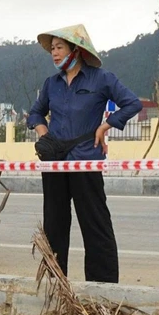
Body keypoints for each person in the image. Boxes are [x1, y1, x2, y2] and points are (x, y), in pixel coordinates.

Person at [27, 24, 141, 284]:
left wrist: (106, 125)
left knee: (95, 225)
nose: (54, 53)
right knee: (54, 227)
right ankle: (56, 286)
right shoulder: (51, 84)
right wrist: (43, 132)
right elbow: (35, 113)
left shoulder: (102, 79)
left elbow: (132, 103)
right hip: (54, 164)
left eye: (59, 48)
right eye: (52, 49)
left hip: (85, 161)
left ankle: (103, 289)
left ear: (75, 50)